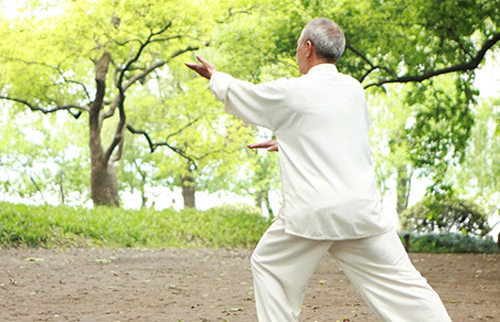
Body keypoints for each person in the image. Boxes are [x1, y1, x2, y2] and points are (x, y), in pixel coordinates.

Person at [185, 18, 451, 322]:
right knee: (405, 286)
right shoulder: (354, 90)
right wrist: (287, 143)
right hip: (361, 211)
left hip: (313, 213)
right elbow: (340, 138)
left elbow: (248, 96)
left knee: (268, 265)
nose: (297, 52)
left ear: (308, 48)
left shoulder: (295, 91)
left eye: (298, 46)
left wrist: (215, 76)